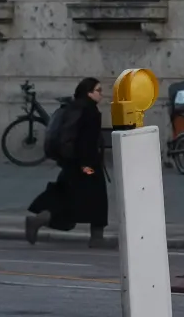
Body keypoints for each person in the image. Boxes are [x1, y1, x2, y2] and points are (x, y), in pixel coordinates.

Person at [25, 78, 111, 247]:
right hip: (85, 165)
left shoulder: (74, 107)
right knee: (93, 198)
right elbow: (86, 142)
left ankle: (96, 237)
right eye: (98, 90)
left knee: (70, 198)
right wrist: (87, 167)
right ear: (88, 92)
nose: (101, 94)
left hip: (72, 164)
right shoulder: (89, 111)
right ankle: (96, 238)